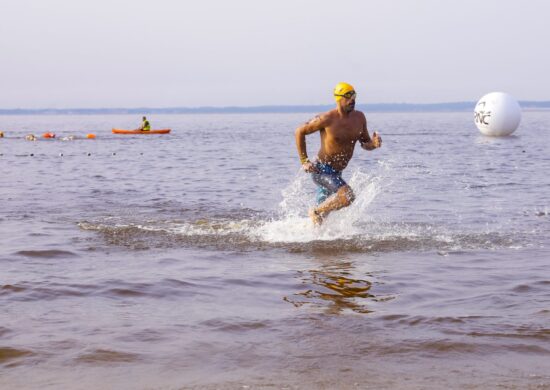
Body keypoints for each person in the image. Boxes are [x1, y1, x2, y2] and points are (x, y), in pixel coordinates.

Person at [295, 82, 382, 225]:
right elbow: (299, 131)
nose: (352, 100)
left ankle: (312, 238)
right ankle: (315, 211)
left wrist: (374, 143)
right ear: (338, 98)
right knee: (347, 196)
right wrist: (304, 161)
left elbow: (365, 143)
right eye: (348, 96)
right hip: (321, 170)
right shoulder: (327, 118)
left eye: (354, 95)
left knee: (319, 223)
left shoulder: (359, 118)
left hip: (337, 173)